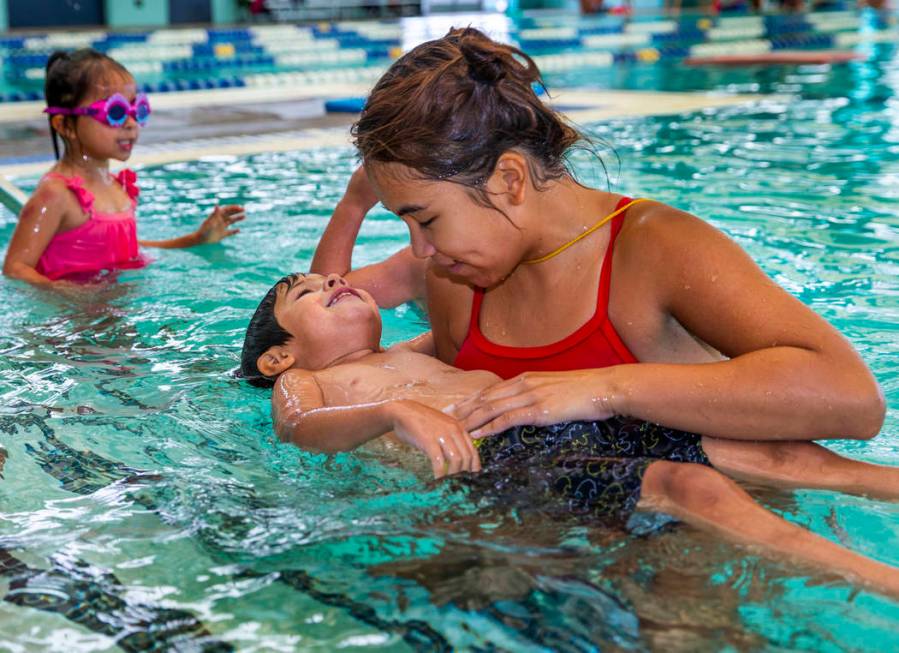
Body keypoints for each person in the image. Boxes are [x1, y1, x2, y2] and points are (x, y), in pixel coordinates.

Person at [311, 27, 892, 496]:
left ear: (509, 178)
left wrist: (608, 387)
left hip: (704, 538)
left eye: (426, 219)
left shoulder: (654, 248)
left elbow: (852, 400)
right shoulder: (454, 276)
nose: (419, 249)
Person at [239, 271, 899, 597]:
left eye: (332, 278)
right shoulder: (309, 384)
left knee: (774, 453)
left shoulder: (417, 349)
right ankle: (878, 577)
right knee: (688, 484)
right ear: (278, 357)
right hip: (505, 452)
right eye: (305, 291)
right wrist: (392, 414)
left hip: (558, 419)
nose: (331, 279)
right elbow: (299, 430)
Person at [2, 49, 245, 286]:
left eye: (135, 109)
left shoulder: (117, 186)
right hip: (71, 322)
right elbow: (16, 268)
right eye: (115, 112)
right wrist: (66, 293)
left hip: (116, 312)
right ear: (65, 125)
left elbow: (128, 252)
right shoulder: (56, 194)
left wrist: (195, 239)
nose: (130, 123)